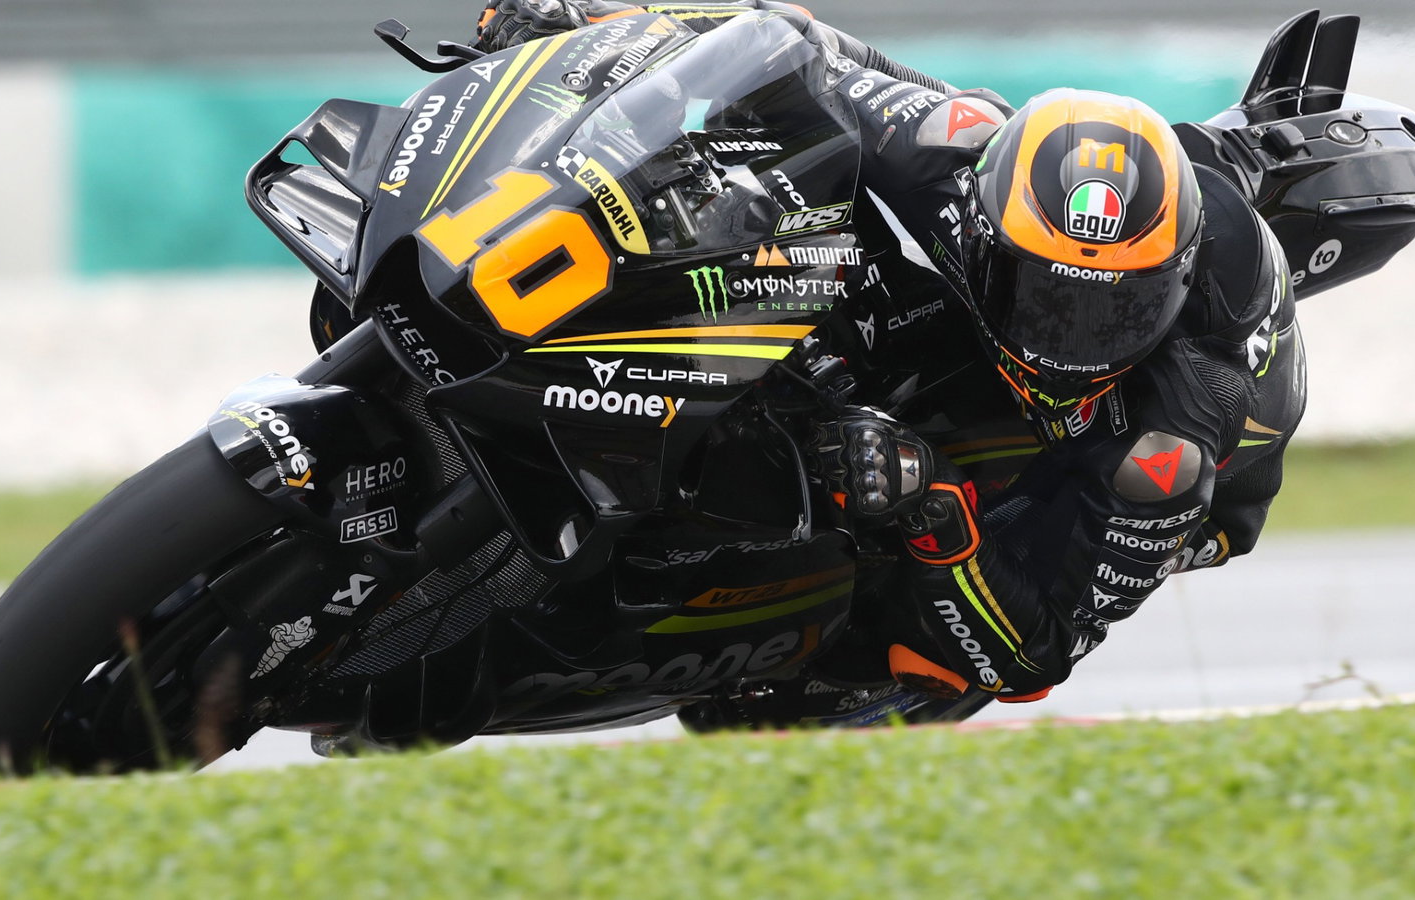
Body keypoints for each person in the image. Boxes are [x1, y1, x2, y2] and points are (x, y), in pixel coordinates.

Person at [471, 0, 1305, 716]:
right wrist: (591, 26)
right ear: (981, 228)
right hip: (965, 306)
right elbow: (788, 44)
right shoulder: (954, 150)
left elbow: (1037, 654)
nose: (1069, 339)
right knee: (807, 196)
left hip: (1138, 470)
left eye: (1117, 310)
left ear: (1174, 282)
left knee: (899, 661)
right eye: (1045, 297)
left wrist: (932, 508)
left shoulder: (1174, 432)